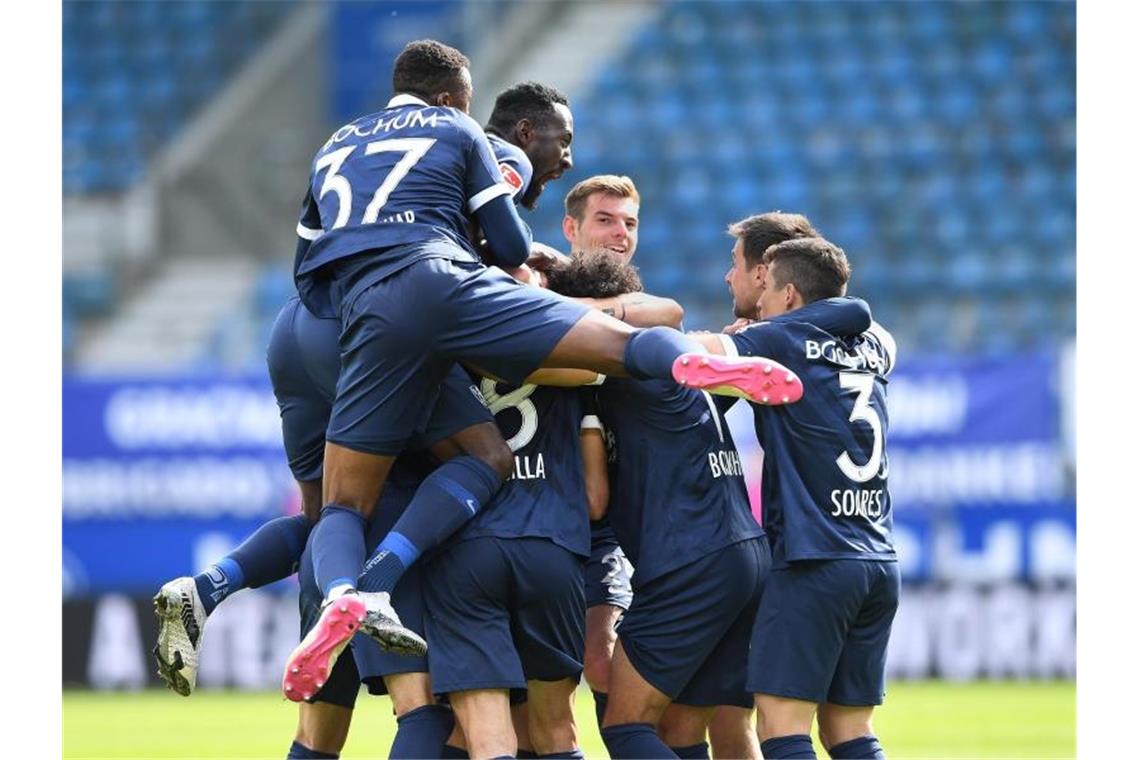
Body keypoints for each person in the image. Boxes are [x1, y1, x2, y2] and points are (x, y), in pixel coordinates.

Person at [289, 38, 804, 699]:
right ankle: (693, 366)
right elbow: (502, 243)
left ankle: (341, 594)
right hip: (449, 285)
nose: (565, 157)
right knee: (617, 344)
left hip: (361, 314)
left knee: (342, 504)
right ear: (451, 98)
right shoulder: (458, 130)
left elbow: (309, 267)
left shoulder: (335, 145)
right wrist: (531, 261)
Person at [701, 235, 899, 760]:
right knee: (849, 733)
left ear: (789, 295)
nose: (759, 302)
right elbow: (864, 319)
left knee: (782, 729)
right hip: (877, 560)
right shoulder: (874, 345)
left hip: (814, 560)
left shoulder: (780, 340)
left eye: (767, 291)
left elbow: (691, 353)